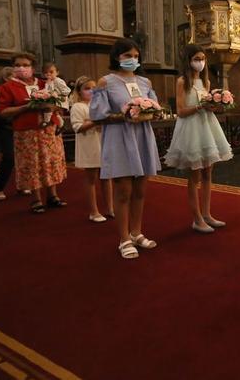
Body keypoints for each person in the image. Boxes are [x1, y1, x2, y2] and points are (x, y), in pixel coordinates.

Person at [90, 38, 161, 259]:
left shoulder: (145, 82)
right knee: (123, 192)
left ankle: (137, 232)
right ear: (116, 57)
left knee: (140, 190)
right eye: (127, 56)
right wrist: (126, 114)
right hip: (120, 137)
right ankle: (124, 239)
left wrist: (150, 111)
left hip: (142, 137)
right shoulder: (106, 82)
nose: (132, 60)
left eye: (136, 56)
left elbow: (155, 109)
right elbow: (98, 114)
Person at [163, 44, 232, 233]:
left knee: (208, 173)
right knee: (194, 175)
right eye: (197, 59)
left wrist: (216, 105)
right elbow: (180, 111)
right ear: (188, 60)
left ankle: (207, 213)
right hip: (191, 128)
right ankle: (197, 218)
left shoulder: (206, 83)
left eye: (203, 59)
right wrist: (200, 107)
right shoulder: (182, 82)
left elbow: (207, 104)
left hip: (207, 127)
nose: (200, 62)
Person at [0, 52, 68, 213]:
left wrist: (52, 107)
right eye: (17, 65)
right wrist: (26, 107)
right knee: (32, 164)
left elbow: (61, 102)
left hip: (49, 130)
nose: (21, 68)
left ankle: (53, 195)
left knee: (51, 162)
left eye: (25, 65)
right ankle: (36, 199)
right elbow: (3, 111)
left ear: (33, 67)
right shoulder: (7, 87)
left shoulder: (45, 83)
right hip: (27, 132)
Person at [70, 76, 114, 223]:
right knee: (91, 179)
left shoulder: (99, 105)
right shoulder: (78, 107)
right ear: (79, 91)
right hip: (89, 145)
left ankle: (110, 208)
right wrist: (95, 121)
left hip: (103, 143)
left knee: (106, 177)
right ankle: (93, 211)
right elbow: (78, 127)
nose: (91, 91)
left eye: (93, 88)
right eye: (87, 88)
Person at [0, 67, 28, 200]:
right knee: (9, 157)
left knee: (24, 158)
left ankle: (22, 185)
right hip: (6, 129)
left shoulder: (19, 91)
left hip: (22, 127)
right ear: (6, 78)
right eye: (14, 77)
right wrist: (8, 120)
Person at [42, 62, 70, 128]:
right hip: (53, 99)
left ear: (57, 72)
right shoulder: (48, 81)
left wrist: (57, 94)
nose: (48, 74)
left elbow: (67, 90)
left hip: (60, 99)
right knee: (56, 113)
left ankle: (46, 121)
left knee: (48, 109)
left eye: (51, 72)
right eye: (46, 72)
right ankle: (61, 126)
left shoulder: (58, 81)